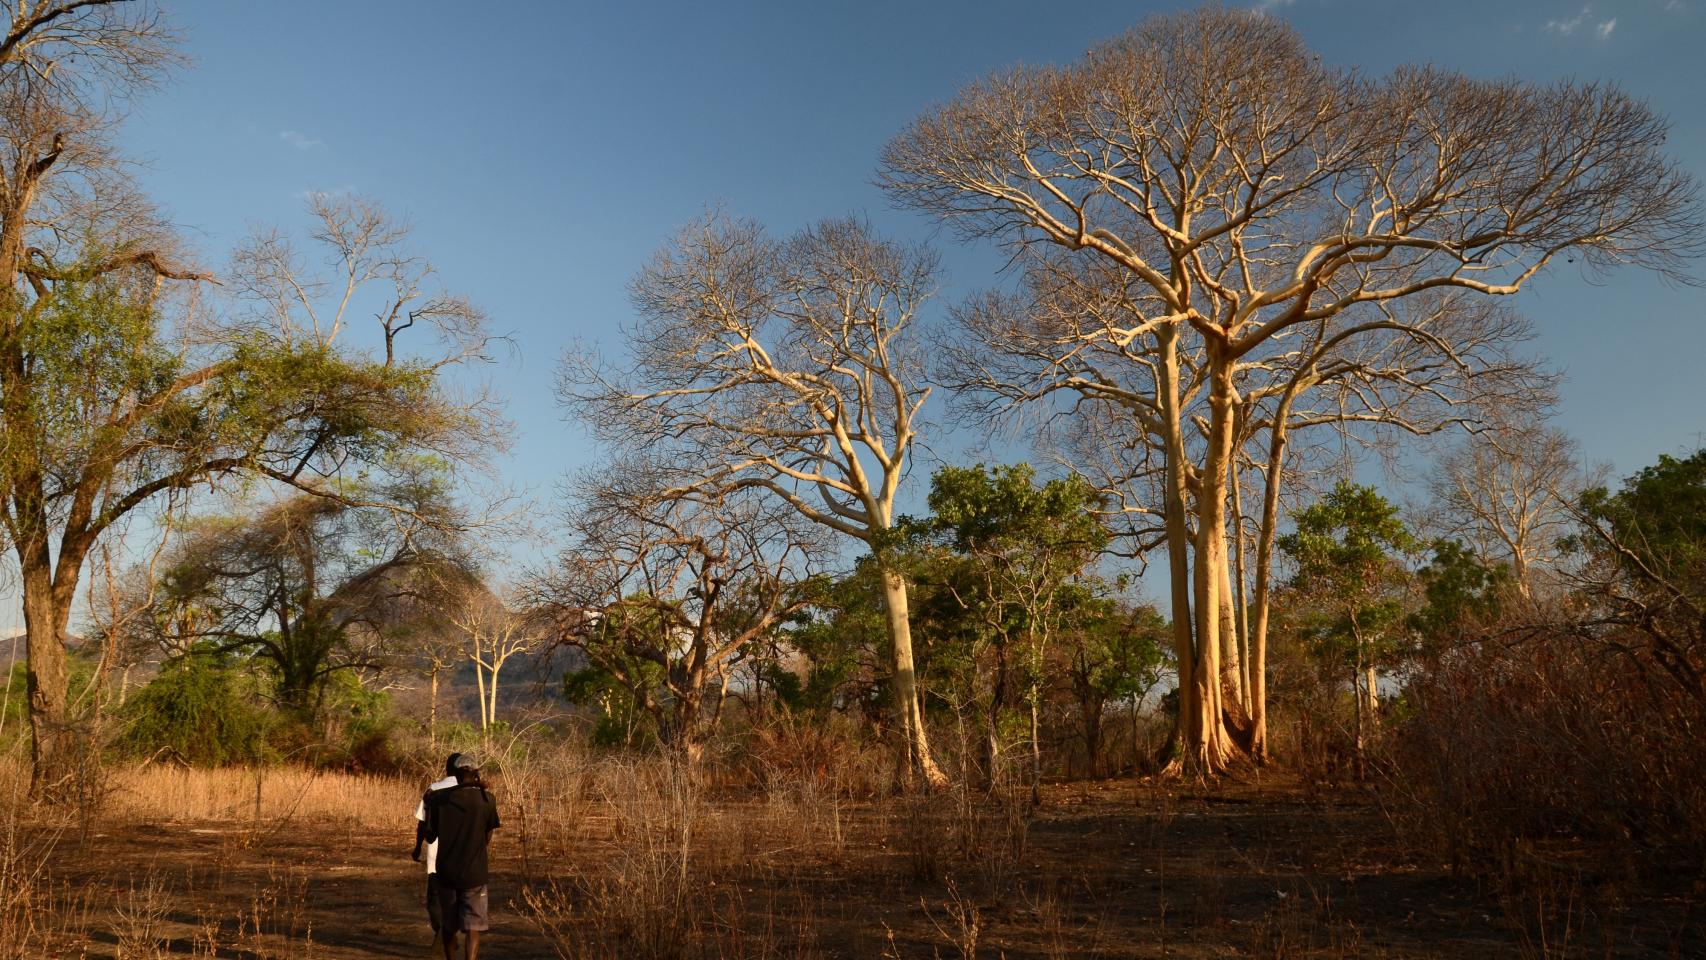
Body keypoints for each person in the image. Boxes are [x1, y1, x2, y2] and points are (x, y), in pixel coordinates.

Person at [424, 752, 501, 960]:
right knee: (473, 926)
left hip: (447, 873)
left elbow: (430, 838)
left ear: (455, 776)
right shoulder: (487, 800)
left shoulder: (438, 801)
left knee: (449, 926)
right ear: (476, 774)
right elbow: (487, 838)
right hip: (475, 874)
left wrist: (428, 804)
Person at [412, 752, 463, 945]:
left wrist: (418, 848)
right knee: (459, 895)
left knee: (435, 896)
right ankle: (452, 930)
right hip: (462, 855)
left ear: (447, 769)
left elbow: (422, 824)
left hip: (436, 855)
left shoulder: (433, 789)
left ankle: (442, 929)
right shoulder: (471, 792)